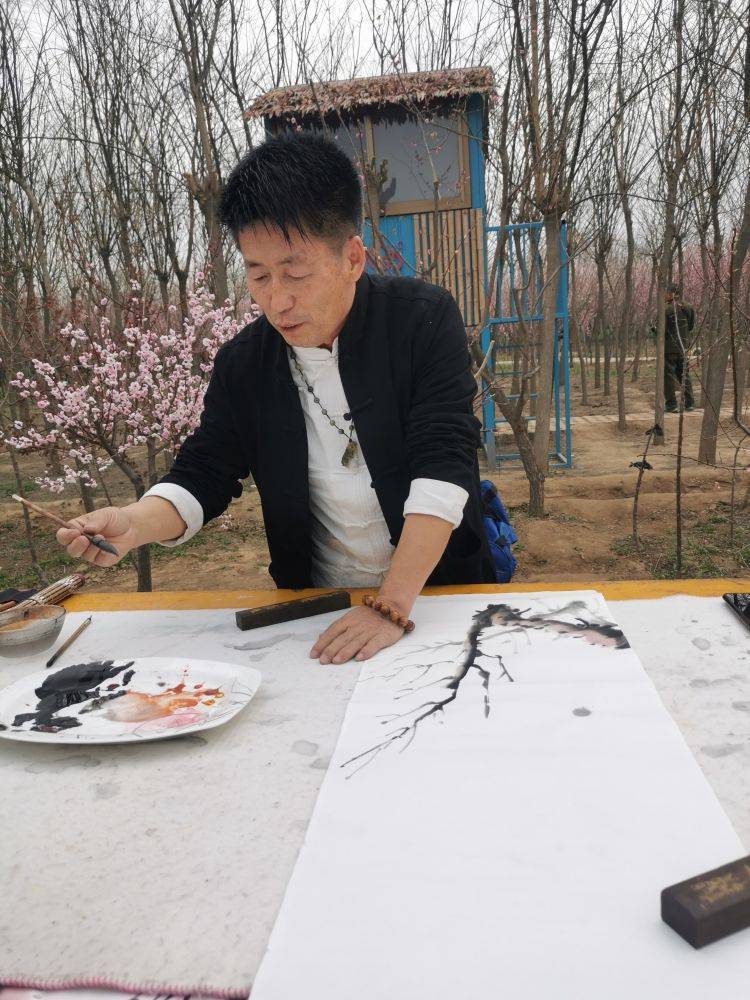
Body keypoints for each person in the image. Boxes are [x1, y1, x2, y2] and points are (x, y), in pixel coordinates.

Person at [56, 132, 496, 665]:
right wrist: (135, 523)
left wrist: (391, 605)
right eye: (258, 275)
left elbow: (443, 463)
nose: (276, 300)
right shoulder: (245, 363)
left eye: (295, 273)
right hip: (317, 609)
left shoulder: (420, 320)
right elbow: (205, 471)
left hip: (438, 597)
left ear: (352, 258)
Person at [664, 282, 695, 413]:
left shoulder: (666, 309)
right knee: (684, 374)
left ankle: (671, 405)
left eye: (666, 293)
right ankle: (690, 403)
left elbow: (662, 330)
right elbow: (691, 326)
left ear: (671, 293)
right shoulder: (689, 307)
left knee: (668, 376)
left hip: (669, 348)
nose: (664, 296)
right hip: (684, 347)